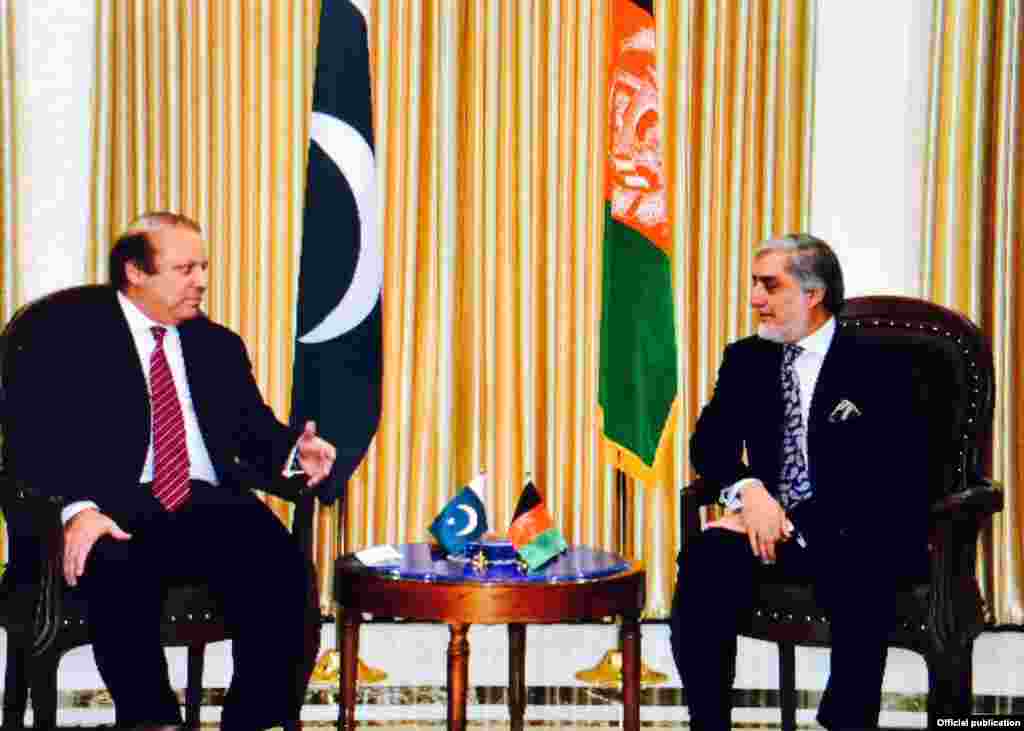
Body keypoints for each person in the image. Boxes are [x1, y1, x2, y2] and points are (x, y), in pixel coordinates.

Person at [11, 212, 335, 729]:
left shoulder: (217, 344)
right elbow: (33, 441)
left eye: (203, 267)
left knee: (284, 571)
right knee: (118, 566)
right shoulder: (66, 336)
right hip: (117, 502)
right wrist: (78, 508)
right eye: (185, 268)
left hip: (206, 501)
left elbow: (253, 433)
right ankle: (151, 720)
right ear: (135, 272)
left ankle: (256, 720)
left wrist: (295, 455)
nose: (201, 281)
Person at [670, 234, 929, 731]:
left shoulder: (882, 362)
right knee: (705, 560)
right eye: (754, 284)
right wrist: (749, 492)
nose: (754, 298)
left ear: (813, 295)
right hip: (765, 527)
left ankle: (845, 721)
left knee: (863, 561)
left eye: (769, 285)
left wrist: (790, 519)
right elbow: (710, 446)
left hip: (851, 528)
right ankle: (708, 723)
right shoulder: (747, 359)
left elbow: (899, 469)